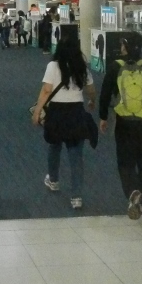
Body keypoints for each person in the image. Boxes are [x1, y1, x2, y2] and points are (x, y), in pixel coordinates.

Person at [98, 31, 142, 220]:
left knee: (125, 161)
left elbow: (105, 94)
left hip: (123, 121)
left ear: (127, 47)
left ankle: (132, 191)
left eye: (123, 44)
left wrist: (103, 117)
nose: (121, 47)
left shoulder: (115, 67)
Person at [31, 35, 96, 210]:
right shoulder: (82, 67)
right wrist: (92, 101)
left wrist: (37, 111)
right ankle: (76, 197)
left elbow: (46, 90)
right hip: (76, 112)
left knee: (54, 146)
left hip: (56, 113)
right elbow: (91, 90)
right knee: (76, 156)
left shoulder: (53, 66)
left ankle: (53, 180)